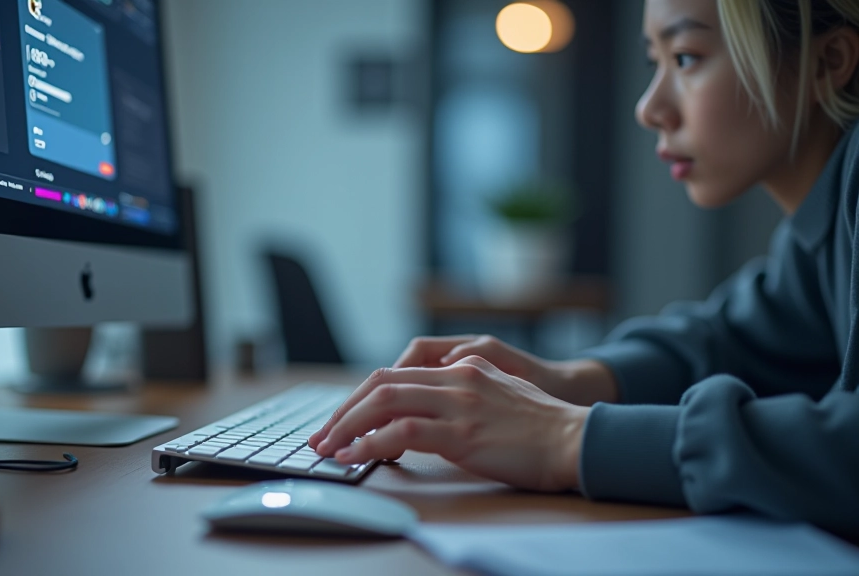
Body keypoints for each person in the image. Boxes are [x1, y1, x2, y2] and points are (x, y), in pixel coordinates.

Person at [309, 0, 859, 537]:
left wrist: (566, 438)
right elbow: (730, 341)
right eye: (655, 61)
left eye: (687, 57)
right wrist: (567, 381)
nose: (649, 108)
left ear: (827, 62)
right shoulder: (818, 230)